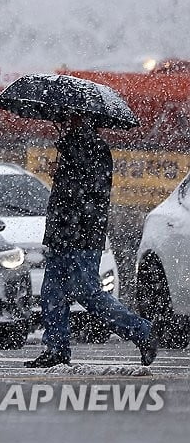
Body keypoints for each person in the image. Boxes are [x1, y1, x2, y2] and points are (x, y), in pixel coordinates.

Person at [26, 114, 158, 368]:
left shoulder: (90, 147)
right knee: (52, 294)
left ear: (82, 118)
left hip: (81, 236)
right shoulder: (73, 146)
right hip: (64, 235)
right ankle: (56, 349)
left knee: (87, 293)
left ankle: (142, 332)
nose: (62, 121)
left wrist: (64, 174)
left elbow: (90, 192)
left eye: (67, 117)